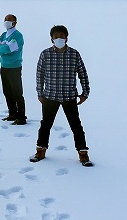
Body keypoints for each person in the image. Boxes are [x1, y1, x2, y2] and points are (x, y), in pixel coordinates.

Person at [30, 25, 93, 167]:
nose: (59, 38)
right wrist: (40, 93)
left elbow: (82, 73)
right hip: (50, 96)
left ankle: (83, 153)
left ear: (67, 38)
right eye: (56, 36)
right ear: (51, 39)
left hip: (69, 96)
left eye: (62, 36)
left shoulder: (74, 54)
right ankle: (40, 150)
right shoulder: (45, 54)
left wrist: (85, 93)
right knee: (45, 125)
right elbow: (40, 75)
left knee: (76, 126)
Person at [0, 14, 26, 124]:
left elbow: (7, 48)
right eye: (5, 19)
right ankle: (12, 114)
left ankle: (21, 116)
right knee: (7, 92)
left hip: (14, 67)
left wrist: (3, 48)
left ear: (15, 23)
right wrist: (3, 48)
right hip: (4, 67)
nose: (7, 21)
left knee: (17, 93)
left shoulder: (18, 36)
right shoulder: (3, 35)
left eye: (9, 20)